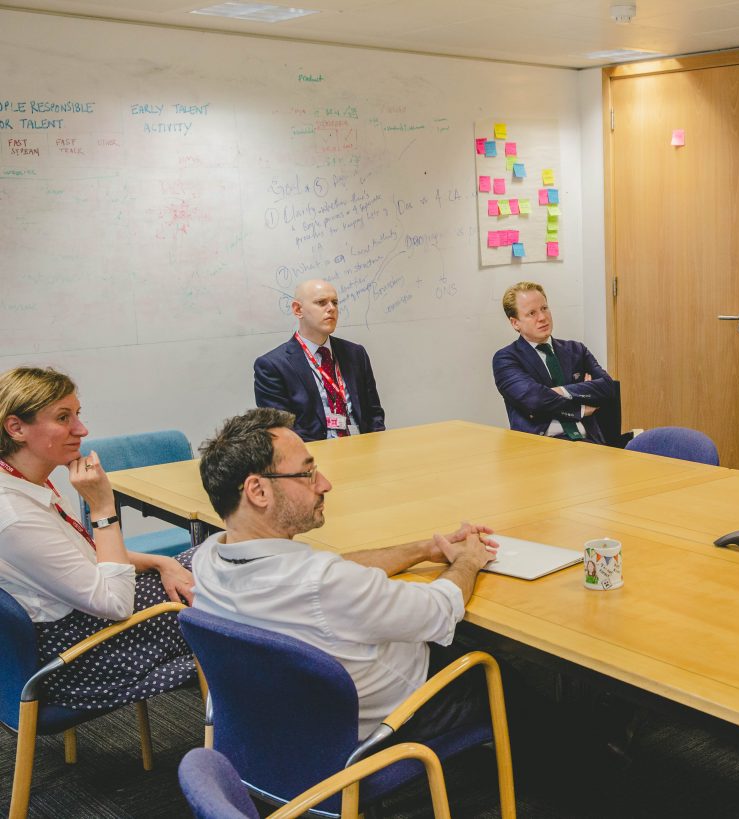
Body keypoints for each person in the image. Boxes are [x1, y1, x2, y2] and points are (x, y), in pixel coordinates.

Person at [191, 407, 498, 738]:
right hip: (385, 724)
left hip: (278, 729)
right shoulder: (323, 584)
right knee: (508, 674)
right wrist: (467, 560)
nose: (325, 484)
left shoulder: (208, 560)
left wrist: (424, 549)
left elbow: (331, 571)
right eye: (307, 473)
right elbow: (438, 610)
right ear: (258, 491)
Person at [0, 367, 196, 710]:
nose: (81, 429)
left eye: (77, 414)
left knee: (217, 558)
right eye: (64, 417)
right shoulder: (14, 515)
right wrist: (103, 506)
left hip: (88, 623)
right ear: (16, 428)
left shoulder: (25, 483)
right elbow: (115, 604)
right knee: (229, 586)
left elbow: (89, 558)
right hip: (83, 654)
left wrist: (161, 561)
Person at [254, 279, 385, 442]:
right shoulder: (272, 366)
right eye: (321, 302)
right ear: (298, 309)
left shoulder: (356, 354)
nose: (331, 308)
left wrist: (375, 448)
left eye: (335, 302)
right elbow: (281, 432)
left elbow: (374, 414)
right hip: (314, 458)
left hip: (362, 449)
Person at [492, 281, 618, 444]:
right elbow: (535, 400)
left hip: (589, 442)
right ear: (515, 323)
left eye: (544, 308)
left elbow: (607, 387)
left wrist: (559, 391)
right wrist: (580, 408)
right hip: (541, 447)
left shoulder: (576, 350)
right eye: (531, 313)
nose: (542, 317)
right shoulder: (506, 359)